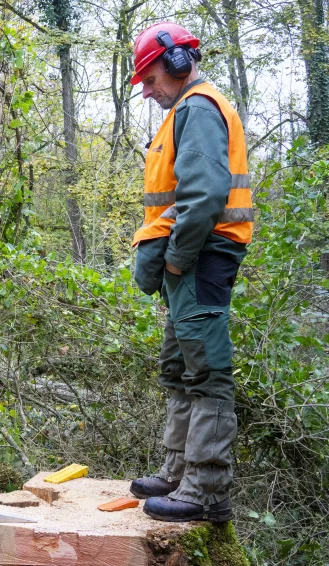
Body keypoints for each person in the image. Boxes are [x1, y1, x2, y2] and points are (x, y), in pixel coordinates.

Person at [128, 22, 253, 523]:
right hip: (189, 260)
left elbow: (204, 196)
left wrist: (176, 258)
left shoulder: (199, 108)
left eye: (152, 78)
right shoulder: (183, 111)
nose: (150, 89)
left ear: (178, 63)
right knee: (178, 368)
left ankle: (206, 491)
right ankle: (179, 472)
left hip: (201, 256)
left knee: (207, 374)